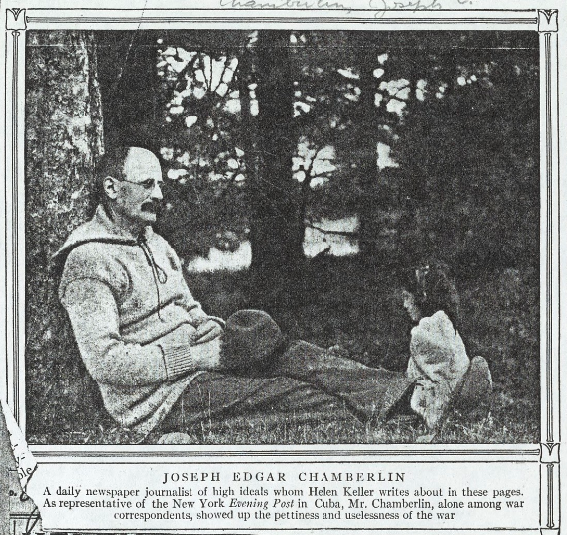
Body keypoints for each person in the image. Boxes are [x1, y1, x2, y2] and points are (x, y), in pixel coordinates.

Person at [54, 146, 488, 443]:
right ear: (112, 188)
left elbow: (188, 308)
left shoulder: (156, 243)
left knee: (293, 352)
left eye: (159, 184)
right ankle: (410, 409)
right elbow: (105, 362)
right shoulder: (88, 261)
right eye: (147, 184)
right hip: (159, 399)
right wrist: (198, 358)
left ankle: (416, 395)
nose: (159, 195)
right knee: (290, 393)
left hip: (202, 359)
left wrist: (214, 333)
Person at [401, 262, 492, 430]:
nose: (405, 305)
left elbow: (434, 381)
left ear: (421, 297)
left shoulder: (425, 331)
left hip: (444, 406)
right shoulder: (443, 323)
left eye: (407, 297)